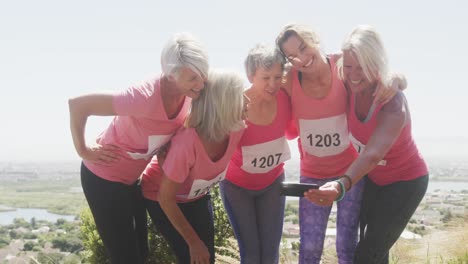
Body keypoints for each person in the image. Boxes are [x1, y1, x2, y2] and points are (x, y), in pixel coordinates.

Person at [68, 33, 209, 264]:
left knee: (141, 253)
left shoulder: (190, 92)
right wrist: (83, 150)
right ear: (171, 75)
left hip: (132, 181)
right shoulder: (142, 97)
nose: (201, 83)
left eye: (203, 75)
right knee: (125, 258)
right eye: (193, 78)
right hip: (102, 180)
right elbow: (78, 105)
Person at [305, 25, 428, 264]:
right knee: (375, 253)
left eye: (362, 67)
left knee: (365, 255)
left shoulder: (392, 103)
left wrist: (340, 186)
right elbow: (311, 64)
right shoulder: (347, 79)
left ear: (375, 63)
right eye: (349, 66)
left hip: (405, 183)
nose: (353, 74)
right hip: (372, 180)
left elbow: (372, 154)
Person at [275, 24, 366, 264]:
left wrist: (397, 80)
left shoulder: (340, 65)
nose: (302, 59)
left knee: (347, 246)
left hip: (350, 174)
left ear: (314, 39)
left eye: (304, 47)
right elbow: (261, 85)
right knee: (310, 249)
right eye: (292, 56)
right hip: (313, 176)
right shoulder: (288, 79)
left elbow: (374, 75)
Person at [141, 70, 246, 264]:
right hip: (162, 197)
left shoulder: (236, 129)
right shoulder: (187, 143)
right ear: (224, 104)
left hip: (196, 195)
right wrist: (193, 243)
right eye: (240, 96)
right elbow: (166, 198)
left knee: (207, 258)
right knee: (192, 255)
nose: (246, 101)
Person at [219, 44, 295, 264]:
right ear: (251, 75)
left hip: (272, 183)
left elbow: (292, 132)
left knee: (270, 255)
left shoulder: (285, 98)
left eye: (277, 77)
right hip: (237, 187)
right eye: (265, 77)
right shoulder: (236, 104)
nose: (273, 84)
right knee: (251, 255)